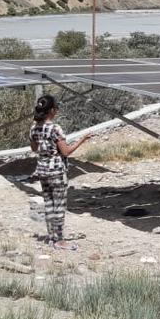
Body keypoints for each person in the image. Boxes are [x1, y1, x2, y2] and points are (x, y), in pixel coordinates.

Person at [29, 95, 92, 251]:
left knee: (49, 204)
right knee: (59, 206)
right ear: (52, 110)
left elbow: (34, 149)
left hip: (42, 171)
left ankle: (52, 237)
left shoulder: (34, 128)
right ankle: (60, 240)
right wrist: (82, 140)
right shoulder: (55, 128)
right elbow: (66, 151)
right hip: (56, 171)